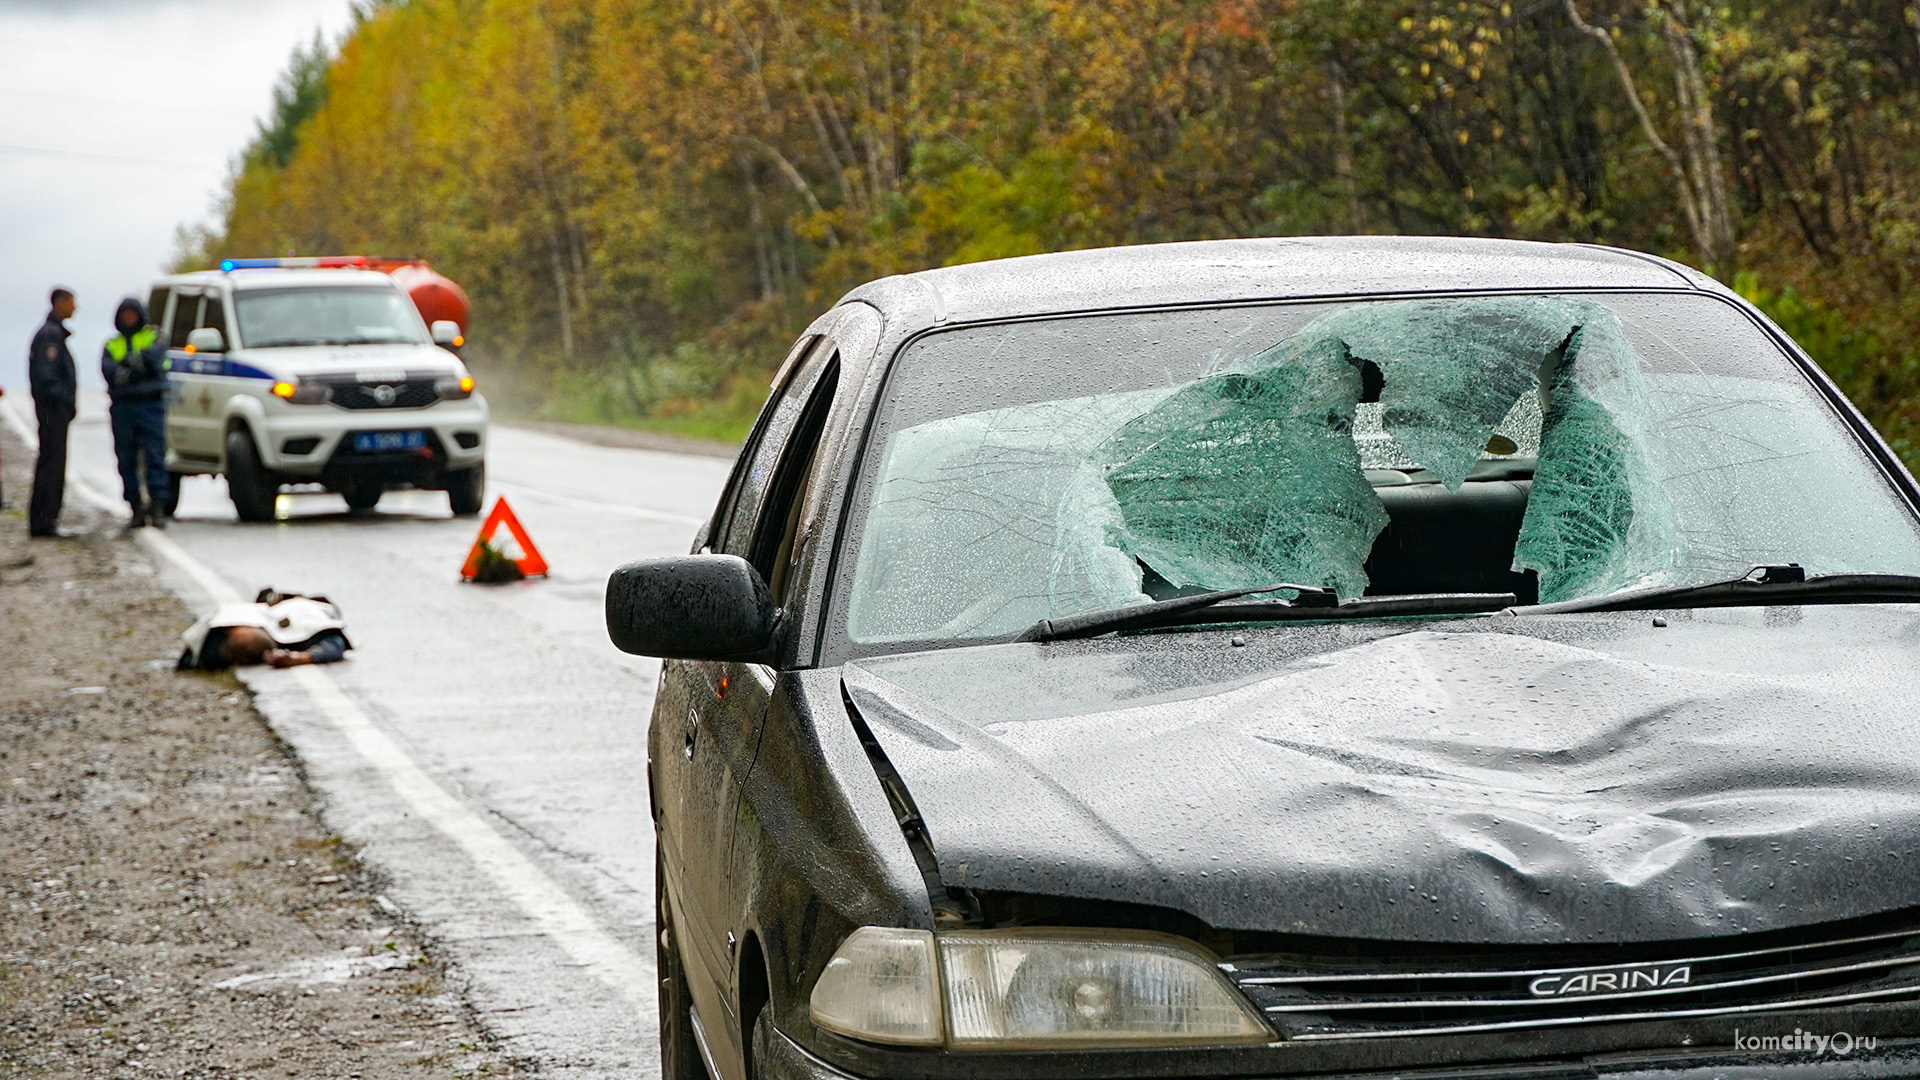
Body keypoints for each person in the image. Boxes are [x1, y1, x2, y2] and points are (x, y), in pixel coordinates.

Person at [101, 296, 171, 528]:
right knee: (126, 458)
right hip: (123, 407)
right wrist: (137, 368)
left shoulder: (155, 337)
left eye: (132, 313)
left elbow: (154, 361)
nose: (129, 318)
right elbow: (110, 372)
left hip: (151, 404)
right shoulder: (112, 344)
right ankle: (136, 507)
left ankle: (158, 506)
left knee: (155, 455)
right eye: (125, 314)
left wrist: (129, 369)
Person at [178, 588, 351, 670]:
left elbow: (334, 642)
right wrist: (300, 658)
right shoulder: (268, 609)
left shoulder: (308, 607)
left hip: (219, 638)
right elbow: (334, 644)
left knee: (246, 639)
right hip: (228, 635)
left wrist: (299, 658)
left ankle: (238, 643)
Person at [28, 287, 79, 538]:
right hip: (51, 411)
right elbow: (47, 377)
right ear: (60, 303)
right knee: (51, 462)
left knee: (52, 461)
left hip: (54, 410)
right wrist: (64, 401)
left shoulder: (54, 333)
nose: (75, 307)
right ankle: (43, 520)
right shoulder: (50, 335)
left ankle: (46, 519)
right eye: (71, 302)